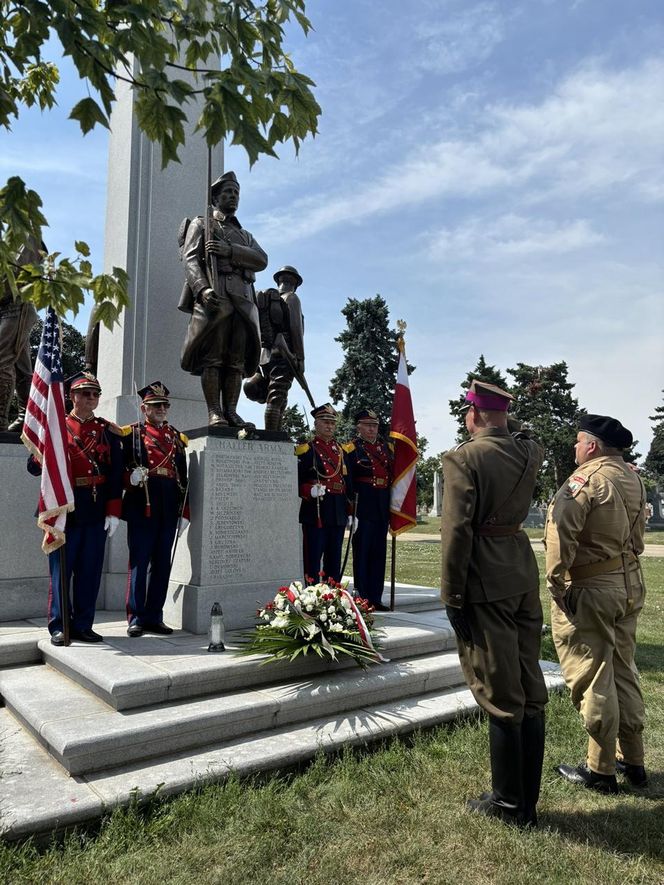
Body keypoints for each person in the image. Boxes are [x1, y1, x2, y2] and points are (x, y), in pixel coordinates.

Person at [440, 379, 547, 827]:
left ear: (474, 414)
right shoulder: (530, 451)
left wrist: (453, 595)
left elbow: (457, 533)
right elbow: (524, 438)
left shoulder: (464, 458)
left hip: (485, 578)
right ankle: (526, 799)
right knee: (529, 685)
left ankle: (509, 804)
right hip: (521, 571)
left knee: (500, 690)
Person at [546, 414, 648, 792]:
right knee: (623, 669)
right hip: (629, 584)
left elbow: (560, 534)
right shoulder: (632, 477)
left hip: (593, 587)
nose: (575, 448)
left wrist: (556, 585)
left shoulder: (584, 480)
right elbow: (637, 539)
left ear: (593, 446)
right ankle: (633, 761)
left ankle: (600, 770)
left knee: (593, 673)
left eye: (578, 441)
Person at [27, 371, 123, 645]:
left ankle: (83, 624)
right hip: (62, 509)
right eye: (84, 393)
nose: (90, 398)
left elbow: (115, 473)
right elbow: (34, 468)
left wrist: (113, 510)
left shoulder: (107, 431)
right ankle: (59, 624)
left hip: (94, 507)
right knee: (61, 571)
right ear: (71, 396)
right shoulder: (55, 427)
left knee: (89, 571)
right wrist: (42, 449)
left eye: (95, 393)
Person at [178, 170, 268, 427]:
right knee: (213, 357)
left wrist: (230, 250)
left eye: (236, 193)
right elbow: (190, 259)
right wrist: (202, 289)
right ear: (215, 197)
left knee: (236, 362)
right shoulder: (202, 224)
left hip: (242, 300)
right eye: (227, 192)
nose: (233, 197)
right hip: (216, 299)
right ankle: (214, 411)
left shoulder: (245, 235)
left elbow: (262, 259)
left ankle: (231, 411)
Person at [121, 382, 189, 637]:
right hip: (143, 505)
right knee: (139, 562)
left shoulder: (177, 438)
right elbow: (120, 470)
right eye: (156, 405)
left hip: (168, 505)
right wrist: (131, 478)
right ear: (144, 408)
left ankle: (154, 616)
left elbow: (184, 478)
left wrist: (185, 513)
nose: (161, 409)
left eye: (165, 405)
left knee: (162, 564)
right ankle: (136, 616)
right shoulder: (133, 434)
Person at [243, 265, 306, 431]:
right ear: (295, 283)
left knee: (277, 395)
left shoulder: (264, 299)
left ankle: (276, 433)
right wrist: (300, 358)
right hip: (285, 354)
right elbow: (295, 329)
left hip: (265, 355)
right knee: (277, 396)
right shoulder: (292, 298)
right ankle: (272, 436)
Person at [296, 403, 353, 583]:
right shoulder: (306, 450)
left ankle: (331, 600)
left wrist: (351, 513)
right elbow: (296, 480)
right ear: (316, 424)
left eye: (332, 423)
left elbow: (348, 484)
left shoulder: (342, 451)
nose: (329, 426)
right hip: (316, 512)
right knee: (313, 559)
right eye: (325, 422)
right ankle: (311, 600)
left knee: (334, 561)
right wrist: (309, 490)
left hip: (337, 512)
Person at [343, 409, 392, 610]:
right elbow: (348, 482)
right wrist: (350, 511)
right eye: (368, 425)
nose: (372, 429)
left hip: (382, 505)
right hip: (362, 506)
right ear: (359, 427)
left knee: (378, 554)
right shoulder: (350, 449)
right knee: (362, 553)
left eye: (375, 425)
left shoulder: (386, 448)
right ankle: (362, 597)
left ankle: (376, 597)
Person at [0, 237, 44, 432]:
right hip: (7, 309)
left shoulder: (26, 234)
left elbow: (15, 273)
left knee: (3, 361)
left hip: (17, 307)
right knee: (21, 366)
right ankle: (28, 416)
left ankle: (0, 417)